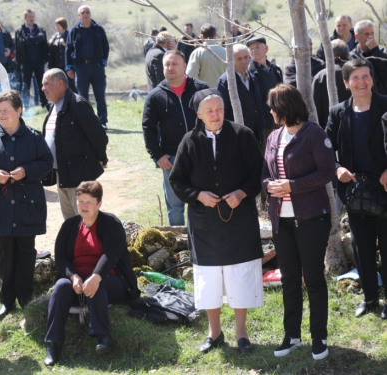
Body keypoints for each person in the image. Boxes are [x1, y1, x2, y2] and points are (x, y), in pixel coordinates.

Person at [169, 89, 264, 355]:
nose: (216, 115)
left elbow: (259, 172)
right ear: (198, 114)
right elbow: (177, 180)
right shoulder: (189, 141)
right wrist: (198, 195)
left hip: (239, 220)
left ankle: (242, 334)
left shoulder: (242, 135)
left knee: (239, 275)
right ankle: (215, 332)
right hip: (204, 224)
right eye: (209, 110)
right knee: (209, 278)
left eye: (219, 109)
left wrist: (242, 192)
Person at [262, 83, 335, 360]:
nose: (269, 111)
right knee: (290, 278)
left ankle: (319, 338)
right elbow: (265, 173)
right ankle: (291, 336)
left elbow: (327, 171)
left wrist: (292, 185)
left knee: (314, 278)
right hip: (281, 221)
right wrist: (270, 186)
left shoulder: (314, 134)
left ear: (285, 108)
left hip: (311, 219)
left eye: (273, 106)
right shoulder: (273, 137)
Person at [0, 90, 53, 319]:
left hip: (27, 207)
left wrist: (26, 171)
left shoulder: (34, 137)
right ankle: (6, 300)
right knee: (3, 255)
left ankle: (25, 297)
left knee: (26, 253)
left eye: (6, 110)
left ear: (19, 110)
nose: (1, 114)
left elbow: (47, 162)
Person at [43, 181, 140, 366]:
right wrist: (73, 277)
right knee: (60, 286)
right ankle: (53, 344)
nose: (83, 206)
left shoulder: (111, 223)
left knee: (97, 284)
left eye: (89, 202)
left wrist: (96, 276)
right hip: (77, 282)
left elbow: (111, 254)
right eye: (80, 201)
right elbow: (61, 258)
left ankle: (102, 337)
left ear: (99, 203)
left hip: (111, 281)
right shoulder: (70, 225)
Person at [325, 59, 387, 320]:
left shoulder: (386, 105)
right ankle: (370, 297)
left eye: (365, 76)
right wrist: (337, 168)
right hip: (355, 189)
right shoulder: (338, 112)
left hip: (384, 186)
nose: (361, 82)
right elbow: (325, 150)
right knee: (361, 246)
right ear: (346, 82)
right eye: (355, 78)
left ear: (372, 79)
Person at [142, 50, 209, 226]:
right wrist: (157, 155)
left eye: (175, 64)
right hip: (171, 160)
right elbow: (147, 128)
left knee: (202, 201)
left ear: (184, 66)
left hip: (201, 156)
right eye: (167, 64)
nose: (170, 68)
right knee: (175, 206)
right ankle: (180, 248)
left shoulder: (201, 89)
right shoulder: (155, 96)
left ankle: (202, 239)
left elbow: (215, 118)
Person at [41, 68, 108, 219]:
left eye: (46, 84)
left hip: (79, 176)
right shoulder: (53, 106)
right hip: (62, 176)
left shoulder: (77, 104)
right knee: (70, 222)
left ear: (59, 83)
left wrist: (101, 158)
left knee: (85, 220)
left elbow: (99, 135)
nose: (43, 88)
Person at [66, 5, 109, 128]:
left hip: (97, 67)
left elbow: (106, 46)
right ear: (79, 15)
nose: (85, 14)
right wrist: (69, 67)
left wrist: (103, 61)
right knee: (82, 97)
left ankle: (102, 121)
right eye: (83, 12)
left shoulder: (98, 29)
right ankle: (86, 122)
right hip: (81, 68)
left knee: (100, 95)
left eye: (87, 12)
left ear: (90, 14)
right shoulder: (74, 31)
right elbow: (68, 50)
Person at [216, 44, 265, 145]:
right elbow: (222, 111)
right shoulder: (225, 81)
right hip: (235, 137)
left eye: (246, 57)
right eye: (239, 58)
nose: (243, 61)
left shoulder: (253, 77)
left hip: (255, 135)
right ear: (231, 60)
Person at [247, 36, 284, 149]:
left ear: (266, 49)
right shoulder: (250, 73)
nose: (254, 51)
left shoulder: (275, 70)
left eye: (257, 47)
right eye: (251, 48)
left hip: (279, 120)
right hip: (263, 123)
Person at [312, 39, 351, 129]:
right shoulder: (359, 72)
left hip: (329, 127)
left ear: (329, 55)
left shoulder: (321, 76)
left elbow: (316, 107)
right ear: (348, 54)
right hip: (357, 125)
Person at [15, 9, 48, 108]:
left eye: (33, 16)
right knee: (26, 85)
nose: (32, 18)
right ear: (25, 18)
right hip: (26, 62)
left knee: (41, 83)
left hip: (39, 61)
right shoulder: (20, 31)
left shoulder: (40, 29)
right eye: (30, 17)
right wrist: (36, 39)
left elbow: (43, 40)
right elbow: (19, 45)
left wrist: (29, 39)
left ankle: (44, 103)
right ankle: (26, 105)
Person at [349, 20, 387, 95]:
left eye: (372, 33)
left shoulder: (383, 51)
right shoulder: (352, 56)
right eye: (366, 34)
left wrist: (375, 51)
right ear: (357, 37)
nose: (370, 37)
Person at [186, 23, 226, 88]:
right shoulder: (225, 51)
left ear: (201, 36)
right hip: (223, 92)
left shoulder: (198, 53)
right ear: (215, 35)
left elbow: (191, 75)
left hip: (205, 93)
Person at [47, 17, 77, 93]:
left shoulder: (68, 35)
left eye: (58, 25)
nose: (56, 27)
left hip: (66, 64)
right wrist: (50, 44)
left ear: (62, 25)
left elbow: (73, 48)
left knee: (70, 84)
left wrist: (65, 44)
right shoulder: (55, 36)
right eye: (55, 25)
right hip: (56, 64)